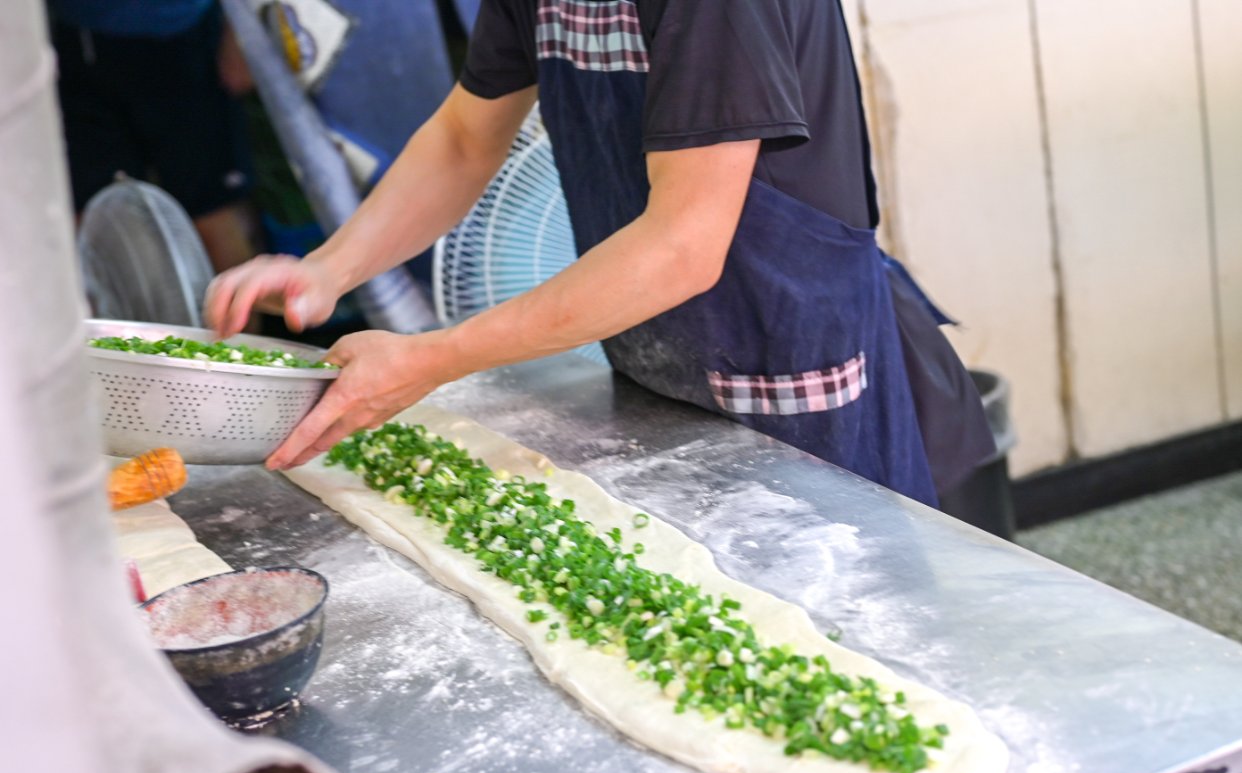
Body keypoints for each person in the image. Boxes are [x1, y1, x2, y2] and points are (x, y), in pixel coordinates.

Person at [207, 0, 993, 506]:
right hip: (658, 369)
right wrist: (328, 269)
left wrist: (431, 358)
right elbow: (461, 138)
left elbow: (684, 245)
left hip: (789, 369)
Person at [49, 0, 258, 272]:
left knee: (212, 214)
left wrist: (243, 33)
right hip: (77, 40)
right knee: (93, 220)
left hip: (182, 36)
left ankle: (243, 312)